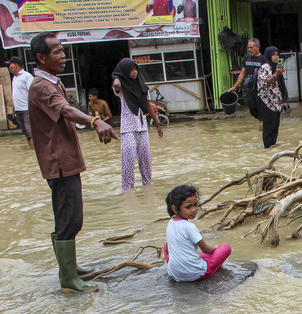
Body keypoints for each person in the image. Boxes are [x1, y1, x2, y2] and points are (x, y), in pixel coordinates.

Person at [27, 31, 118, 293]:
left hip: (62, 159)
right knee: (70, 219)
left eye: (62, 50)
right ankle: (68, 279)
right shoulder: (42, 86)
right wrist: (94, 120)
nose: (63, 55)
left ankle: (69, 269)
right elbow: (65, 110)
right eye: (56, 51)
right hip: (59, 162)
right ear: (41, 58)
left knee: (66, 217)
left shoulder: (50, 82)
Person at [111, 58, 163, 191]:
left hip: (142, 127)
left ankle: (147, 188)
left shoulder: (141, 85)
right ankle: (128, 190)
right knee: (128, 162)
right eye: (131, 70)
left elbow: (147, 105)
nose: (134, 72)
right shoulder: (122, 87)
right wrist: (117, 76)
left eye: (135, 69)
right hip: (128, 129)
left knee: (146, 160)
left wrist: (157, 124)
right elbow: (116, 85)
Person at [163, 184, 231, 282]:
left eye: (195, 204)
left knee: (166, 245)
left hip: (174, 274)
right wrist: (216, 247)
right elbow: (206, 250)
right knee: (225, 247)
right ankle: (196, 268)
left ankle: (180, 267)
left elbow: (168, 251)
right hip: (195, 274)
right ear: (175, 209)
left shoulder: (170, 223)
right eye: (188, 207)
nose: (194, 209)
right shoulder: (189, 226)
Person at [228, 38, 268, 128]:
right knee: (251, 108)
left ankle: (264, 123)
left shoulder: (264, 59)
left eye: (251, 47)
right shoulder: (247, 58)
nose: (249, 50)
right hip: (250, 88)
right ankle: (261, 120)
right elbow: (242, 74)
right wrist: (235, 87)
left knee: (262, 107)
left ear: (257, 47)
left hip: (261, 88)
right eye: (248, 48)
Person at [256, 46, 286, 149]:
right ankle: (267, 148)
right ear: (269, 55)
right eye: (273, 55)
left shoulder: (276, 66)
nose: (276, 57)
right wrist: (276, 74)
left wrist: (283, 102)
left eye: (277, 55)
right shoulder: (265, 67)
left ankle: (272, 148)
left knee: (275, 126)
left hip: (276, 102)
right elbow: (265, 82)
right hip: (266, 101)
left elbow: (280, 86)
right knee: (268, 127)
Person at [6, 56, 34, 149]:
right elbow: (16, 95)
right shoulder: (14, 78)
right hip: (18, 110)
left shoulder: (27, 76)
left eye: (11, 66)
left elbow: (32, 92)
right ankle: (32, 150)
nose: (9, 68)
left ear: (16, 65)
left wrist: (32, 108)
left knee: (30, 133)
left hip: (27, 109)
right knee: (26, 133)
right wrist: (14, 110)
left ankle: (35, 152)